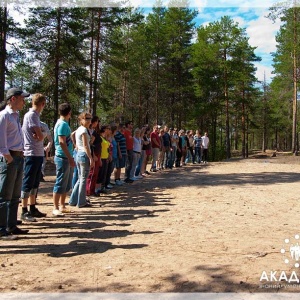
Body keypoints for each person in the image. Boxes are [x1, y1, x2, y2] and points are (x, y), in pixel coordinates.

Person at [0, 88, 30, 239]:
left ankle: (11, 225)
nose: (24, 102)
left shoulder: (16, 116)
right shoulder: (4, 116)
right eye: (22, 99)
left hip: (18, 157)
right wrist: (8, 157)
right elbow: (1, 140)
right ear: (13, 99)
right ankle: (1, 229)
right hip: (10, 158)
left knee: (14, 195)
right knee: (5, 195)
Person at [20, 93, 47, 222]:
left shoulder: (35, 116)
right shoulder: (31, 116)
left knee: (35, 183)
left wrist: (41, 134)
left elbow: (41, 135)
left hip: (38, 153)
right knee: (28, 182)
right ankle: (24, 210)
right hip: (31, 153)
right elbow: (41, 136)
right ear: (42, 104)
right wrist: (41, 134)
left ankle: (32, 207)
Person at [52, 103, 75, 216]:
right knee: (60, 182)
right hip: (62, 157)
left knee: (65, 183)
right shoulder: (62, 124)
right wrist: (70, 157)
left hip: (66, 157)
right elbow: (61, 142)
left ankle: (62, 205)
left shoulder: (64, 123)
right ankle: (55, 207)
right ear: (69, 112)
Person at [69, 112, 94, 208]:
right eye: (86, 118)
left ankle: (73, 200)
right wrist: (90, 158)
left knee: (80, 179)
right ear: (81, 120)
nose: (88, 120)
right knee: (83, 179)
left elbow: (72, 135)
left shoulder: (80, 129)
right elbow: (86, 145)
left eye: (90, 118)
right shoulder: (83, 130)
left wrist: (76, 146)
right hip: (84, 155)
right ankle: (81, 202)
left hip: (79, 154)